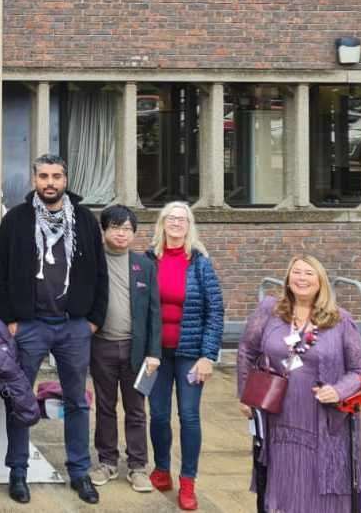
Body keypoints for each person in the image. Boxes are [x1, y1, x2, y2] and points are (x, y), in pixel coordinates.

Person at [0, 154, 107, 506]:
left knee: (76, 401)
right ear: (34, 180)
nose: (50, 182)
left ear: (66, 179)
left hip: (74, 327)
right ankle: (18, 473)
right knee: (21, 401)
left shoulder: (85, 220)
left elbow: (100, 273)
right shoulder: (16, 220)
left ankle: (79, 472)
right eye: (44, 176)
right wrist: (11, 319)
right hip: (30, 326)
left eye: (56, 176)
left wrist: (92, 321)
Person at [237, 255, 361, 513]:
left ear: (321, 281)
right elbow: (247, 349)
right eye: (296, 272)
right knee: (283, 486)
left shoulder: (340, 320)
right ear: (288, 279)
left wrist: (338, 390)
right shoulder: (270, 311)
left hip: (322, 422)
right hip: (279, 420)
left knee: (320, 493)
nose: (301, 278)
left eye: (309, 273)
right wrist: (246, 395)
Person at [146, 201, 224, 511]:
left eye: (183, 219)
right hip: (156, 355)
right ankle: (162, 469)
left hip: (191, 354)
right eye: (171, 218)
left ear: (189, 225)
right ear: (162, 223)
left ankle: (188, 481)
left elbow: (215, 311)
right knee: (159, 414)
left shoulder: (200, 262)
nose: (176, 223)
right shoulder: (149, 259)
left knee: (189, 417)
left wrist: (209, 356)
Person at [88, 205, 161, 492]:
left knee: (136, 409)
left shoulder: (144, 265)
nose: (121, 233)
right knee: (105, 407)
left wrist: (154, 352)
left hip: (137, 350)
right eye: (116, 227)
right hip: (102, 346)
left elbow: (154, 312)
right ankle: (106, 462)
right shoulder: (92, 263)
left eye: (127, 228)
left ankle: (138, 466)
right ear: (104, 230)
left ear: (134, 233)